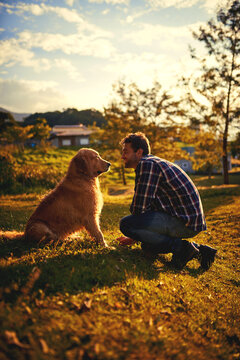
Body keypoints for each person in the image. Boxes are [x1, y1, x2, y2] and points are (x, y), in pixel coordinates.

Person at [117, 132, 217, 270]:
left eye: (126, 152)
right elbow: (149, 207)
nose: (122, 156)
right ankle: (202, 252)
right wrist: (138, 237)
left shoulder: (147, 165)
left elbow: (139, 209)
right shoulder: (153, 162)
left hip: (185, 222)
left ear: (139, 152)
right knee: (147, 246)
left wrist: (134, 231)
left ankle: (182, 249)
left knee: (126, 224)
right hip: (188, 220)